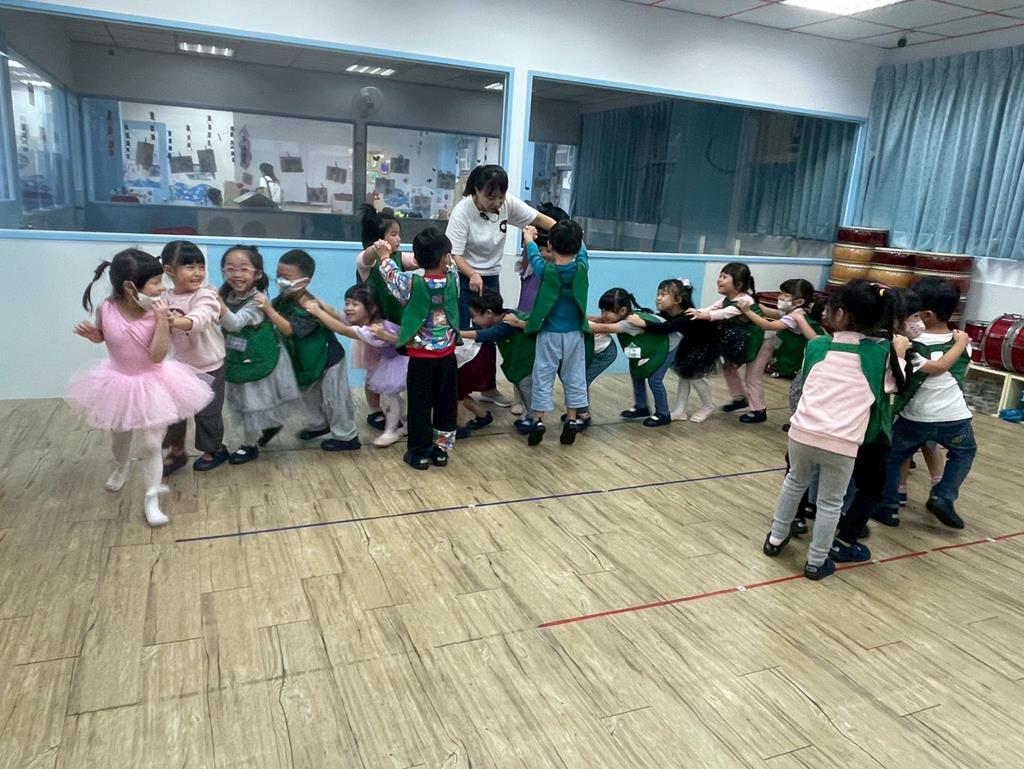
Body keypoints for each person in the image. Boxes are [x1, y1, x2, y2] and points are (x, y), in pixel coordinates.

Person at [761, 280, 908, 580]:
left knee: (794, 483)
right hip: (842, 442)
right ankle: (816, 561)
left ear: (840, 314)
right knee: (830, 502)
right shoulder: (880, 352)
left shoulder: (816, 345)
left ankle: (775, 538)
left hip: (801, 433)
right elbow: (892, 386)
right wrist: (901, 354)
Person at [67, 248, 213, 527]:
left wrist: (162, 322)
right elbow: (105, 336)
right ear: (130, 287)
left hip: (153, 382)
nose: (162, 288)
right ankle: (121, 467)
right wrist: (94, 335)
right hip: (117, 381)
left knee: (151, 443)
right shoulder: (106, 308)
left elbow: (157, 356)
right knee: (119, 438)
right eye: (156, 282)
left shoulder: (158, 313)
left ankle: (151, 498)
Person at [446, 164, 556, 407]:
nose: (497, 202)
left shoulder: (507, 204)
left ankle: (488, 388)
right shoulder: (462, 211)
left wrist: (568, 234)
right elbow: (454, 254)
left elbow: (539, 219)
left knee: (492, 332)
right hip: (465, 277)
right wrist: (472, 274)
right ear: (476, 190)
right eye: (490, 197)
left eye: (501, 196)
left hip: (491, 277)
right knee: (465, 336)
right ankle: (457, 388)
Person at [875, 276, 975, 529]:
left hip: (916, 416)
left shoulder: (911, 345)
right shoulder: (962, 343)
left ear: (926, 315)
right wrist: (961, 342)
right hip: (955, 417)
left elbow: (933, 367)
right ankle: (943, 495)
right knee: (964, 452)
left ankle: (889, 506)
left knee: (893, 456)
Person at [373, 228, 460, 470]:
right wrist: (447, 258)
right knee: (446, 404)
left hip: (421, 359)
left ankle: (419, 453)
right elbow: (451, 265)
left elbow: (391, 276)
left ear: (418, 260)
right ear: (446, 258)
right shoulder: (453, 281)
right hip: (447, 357)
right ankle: (441, 450)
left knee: (419, 405)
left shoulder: (411, 283)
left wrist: (384, 255)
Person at [259, 249, 360, 452]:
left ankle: (347, 436)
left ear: (304, 282)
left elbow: (289, 330)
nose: (280, 281)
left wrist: (268, 310)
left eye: (287, 277)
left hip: (328, 359)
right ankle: (319, 424)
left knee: (334, 398)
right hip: (304, 361)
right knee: (309, 396)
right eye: (278, 275)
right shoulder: (284, 299)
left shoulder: (310, 307)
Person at [217, 245, 300, 464]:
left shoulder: (257, 301)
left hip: (258, 358)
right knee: (245, 400)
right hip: (239, 357)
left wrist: (216, 303)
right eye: (230, 268)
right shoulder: (226, 295)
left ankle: (249, 445)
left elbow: (234, 323)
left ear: (257, 274)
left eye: (244, 269)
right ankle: (270, 425)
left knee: (252, 402)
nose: (236, 274)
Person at [299, 284, 408, 448]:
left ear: (371, 308)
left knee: (390, 396)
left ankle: (391, 430)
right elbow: (334, 312)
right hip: (392, 360)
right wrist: (308, 293)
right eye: (347, 303)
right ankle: (404, 423)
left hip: (402, 362)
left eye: (355, 304)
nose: (348, 308)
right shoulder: (364, 321)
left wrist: (318, 312)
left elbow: (343, 330)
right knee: (392, 396)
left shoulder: (373, 330)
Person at [159, 240, 229, 476]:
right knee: (175, 413)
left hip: (208, 366)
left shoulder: (206, 295)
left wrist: (174, 321)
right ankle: (177, 451)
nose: (198, 272)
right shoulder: (163, 298)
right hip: (176, 369)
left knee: (207, 412)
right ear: (169, 270)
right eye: (190, 267)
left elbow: (201, 318)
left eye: (201, 266)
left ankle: (214, 450)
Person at [519, 220, 589, 446]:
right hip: (574, 334)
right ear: (577, 245)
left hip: (549, 334)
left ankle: (538, 420)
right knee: (574, 375)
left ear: (549, 245)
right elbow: (583, 251)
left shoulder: (547, 270)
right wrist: (579, 237)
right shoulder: (582, 267)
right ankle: (572, 419)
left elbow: (534, 257)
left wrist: (529, 238)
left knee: (543, 374)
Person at [354, 205, 417, 431]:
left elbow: (417, 260)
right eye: (393, 234)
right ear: (378, 238)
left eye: (399, 234)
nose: (399, 239)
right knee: (373, 369)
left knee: (397, 367)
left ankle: (396, 407)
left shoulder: (399, 258)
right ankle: (374, 409)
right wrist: (379, 250)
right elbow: (367, 256)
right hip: (375, 326)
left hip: (397, 325)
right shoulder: (366, 261)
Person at [623, 279, 715, 426]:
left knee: (695, 379)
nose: (658, 298)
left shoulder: (685, 317)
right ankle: (679, 410)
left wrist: (643, 323)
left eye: (663, 294)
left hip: (698, 350)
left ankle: (708, 405)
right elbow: (660, 322)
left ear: (678, 300)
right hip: (683, 351)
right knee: (684, 378)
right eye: (658, 294)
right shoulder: (667, 314)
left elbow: (664, 328)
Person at [736, 278, 824, 424]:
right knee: (755, 376)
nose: (780, 297)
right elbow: (769, 312)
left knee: (800, 388)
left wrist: (747, 311)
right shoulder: (792, 311)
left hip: (807, 355)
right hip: (797, 350)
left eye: (786, 295)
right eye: (781, 293)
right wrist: (752, 301)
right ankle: (760, 409)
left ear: (799, 301)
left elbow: (767, 325)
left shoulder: (795, 315)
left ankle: (798, 420)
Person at [686, 262, 765, 420]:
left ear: (738, 284)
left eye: (724, 277)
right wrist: (693, 312)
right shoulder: (727, 299)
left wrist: (702, 315)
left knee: (752, 377)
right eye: (720, 276)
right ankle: (739, 399)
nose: (719, 280)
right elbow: (711, 308)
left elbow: (722, 314)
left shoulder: (745, 301)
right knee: (728, 367)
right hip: (744, 341)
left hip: (761, 343)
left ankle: (759, 411)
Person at [461, 289, 537, 431]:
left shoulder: (508, 321)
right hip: (520, 364)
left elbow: (488, 334)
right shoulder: (503, 318)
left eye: (474, 316)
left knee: (526, 388)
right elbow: (479, 330)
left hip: (529, 363)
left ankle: (534, 420)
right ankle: (530, 416)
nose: (474, 320)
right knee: (522, 387)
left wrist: (456, 334)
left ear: (489, 313)